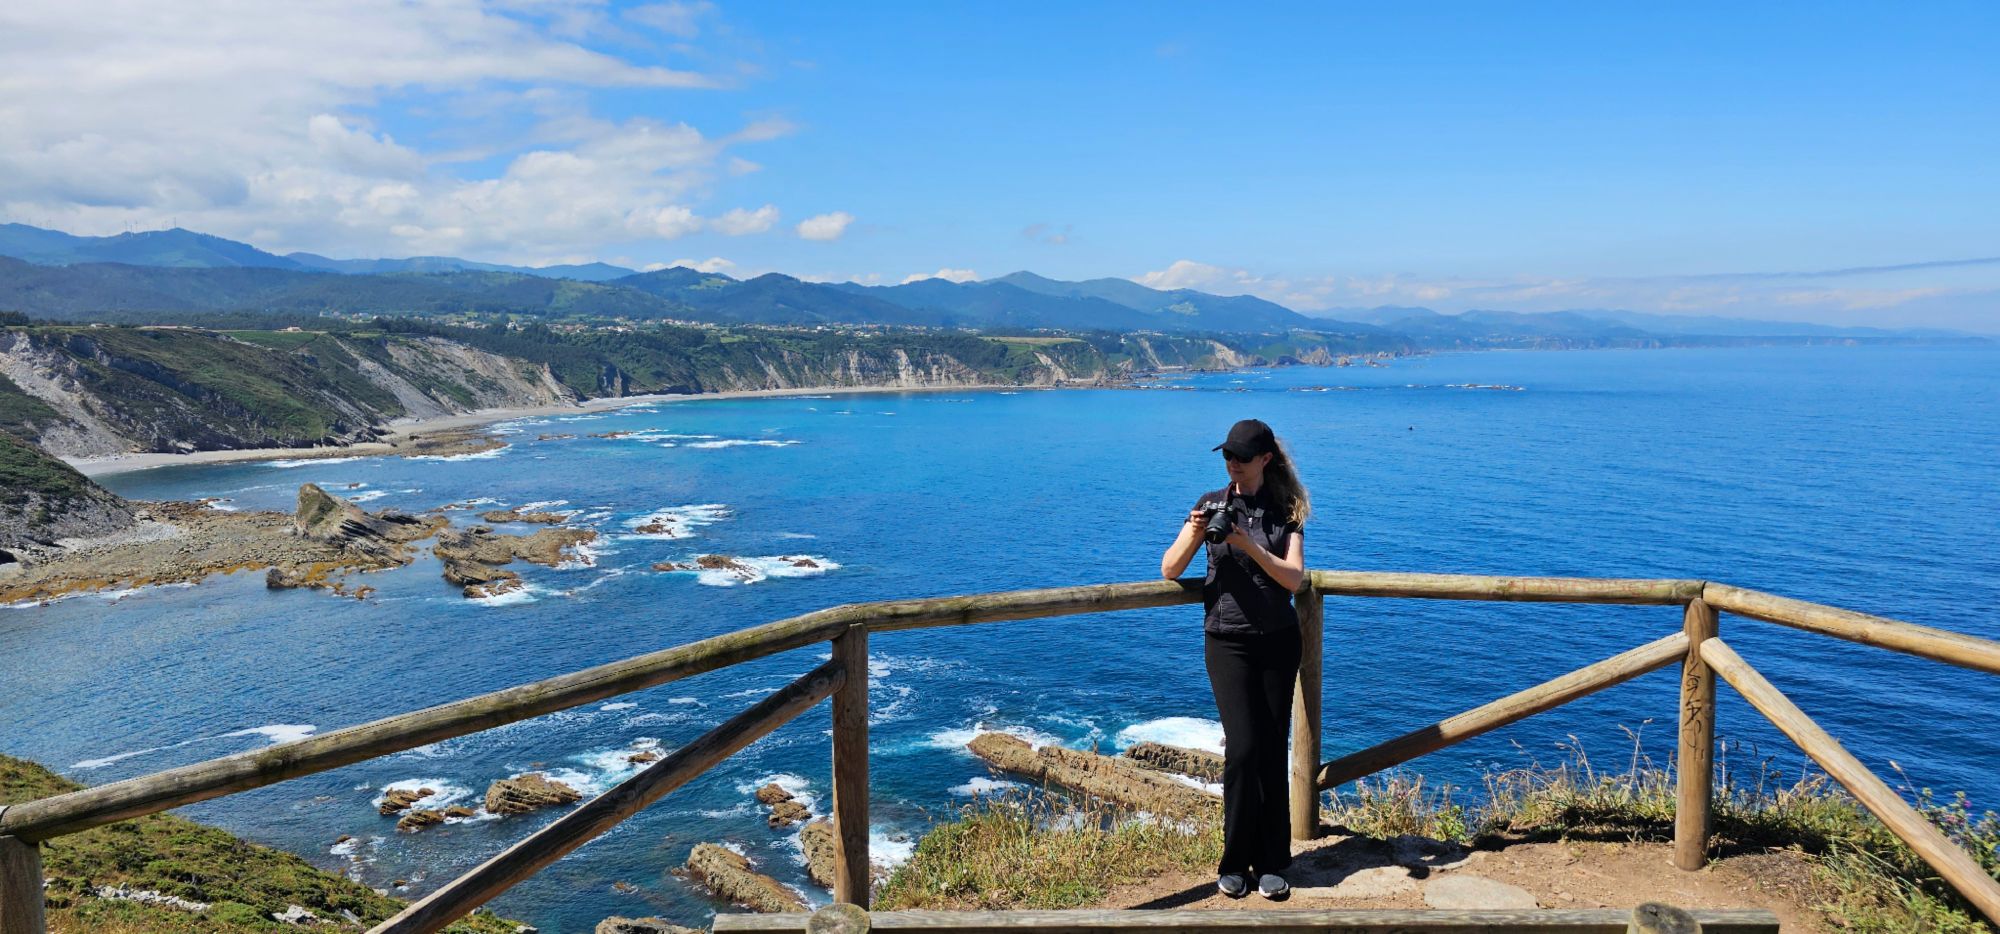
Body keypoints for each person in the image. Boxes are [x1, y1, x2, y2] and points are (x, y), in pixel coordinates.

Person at [1159, 418, 1309, 900]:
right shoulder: (1210, 504)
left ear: (1265, 459)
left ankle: (1270, 862)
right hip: (1227, 641)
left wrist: (1247, 544)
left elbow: (1293, 579)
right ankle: (1233, 861)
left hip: (1278, 641)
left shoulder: (1286, 509)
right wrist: (1196, 531)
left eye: (1242, 457)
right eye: (1227, 455)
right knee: (1242, 749)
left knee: (1270, 750)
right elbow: (1170, 569)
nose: (1232, 464)